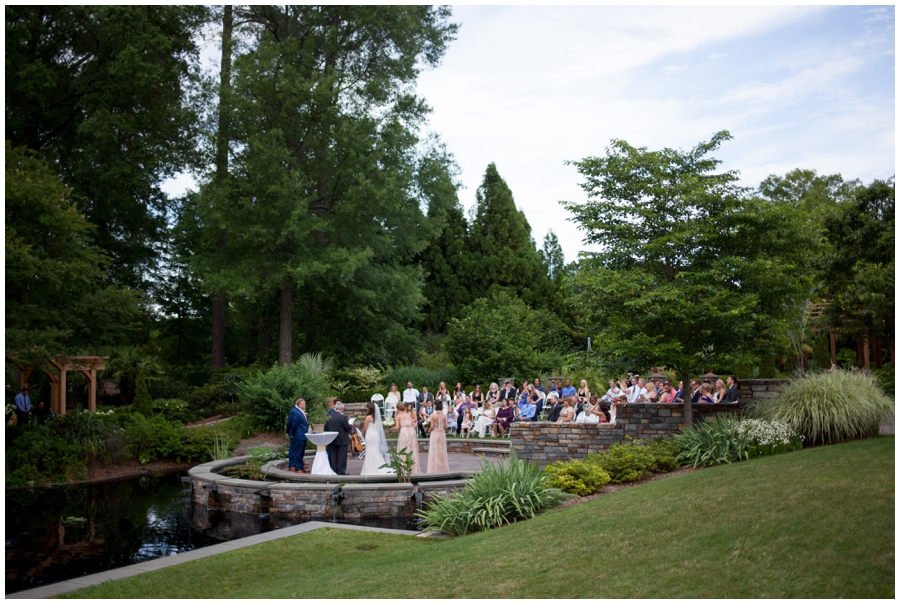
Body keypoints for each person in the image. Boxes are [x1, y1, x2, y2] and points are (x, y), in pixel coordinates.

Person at [360, 401, 394, 476]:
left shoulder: (368, 417)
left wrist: (364, 434)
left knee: (369, 450)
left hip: (369, 434)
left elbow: (365, 428)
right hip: (375, 434)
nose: (366, 408)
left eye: (367, 407)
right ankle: (377, 465)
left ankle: (371, 468)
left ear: (370, 409)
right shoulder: (376, 417)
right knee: (375, 450)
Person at [324, 401, 353, 475]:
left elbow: (326, 428)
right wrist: (351, 425)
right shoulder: (342, 417)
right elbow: (347, 428)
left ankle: (334, 470)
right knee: (342, 456)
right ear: (342, 409)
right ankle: (341, 471)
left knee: (334, 456)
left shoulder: (329, 416)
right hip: (342, 439)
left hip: (332, 439)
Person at [393, 402, 420, 474]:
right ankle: (413, 468)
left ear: (398, 408)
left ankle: (404, 468)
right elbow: (414, 425)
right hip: (411, 431)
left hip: (404, 432)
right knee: (411, 448)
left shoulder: (398, 416)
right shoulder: (408, 415)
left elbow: (397, 427)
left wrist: (390, 428)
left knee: (404, 449)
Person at [286, 396, 309, 473]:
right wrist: (291, 432)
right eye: (303, 404)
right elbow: (293, 424)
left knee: (301, 451)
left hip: (303, 435)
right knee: (297, 451)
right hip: (298, 435)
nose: (304, 405)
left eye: (304, 404)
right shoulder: (295, 412)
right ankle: (297, 467)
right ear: (298, 404)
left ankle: (300, 466)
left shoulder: (301, 411)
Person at [426, 401, 450, 473]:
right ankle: (442, 468)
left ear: (435, 405)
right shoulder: (444, 415)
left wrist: (428, 430)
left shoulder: (433, 415)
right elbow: (446, 427)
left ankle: (434, 469)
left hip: (435, 433)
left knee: (434, 450)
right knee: (442, 451)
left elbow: (432, 426)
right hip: (442, 433)